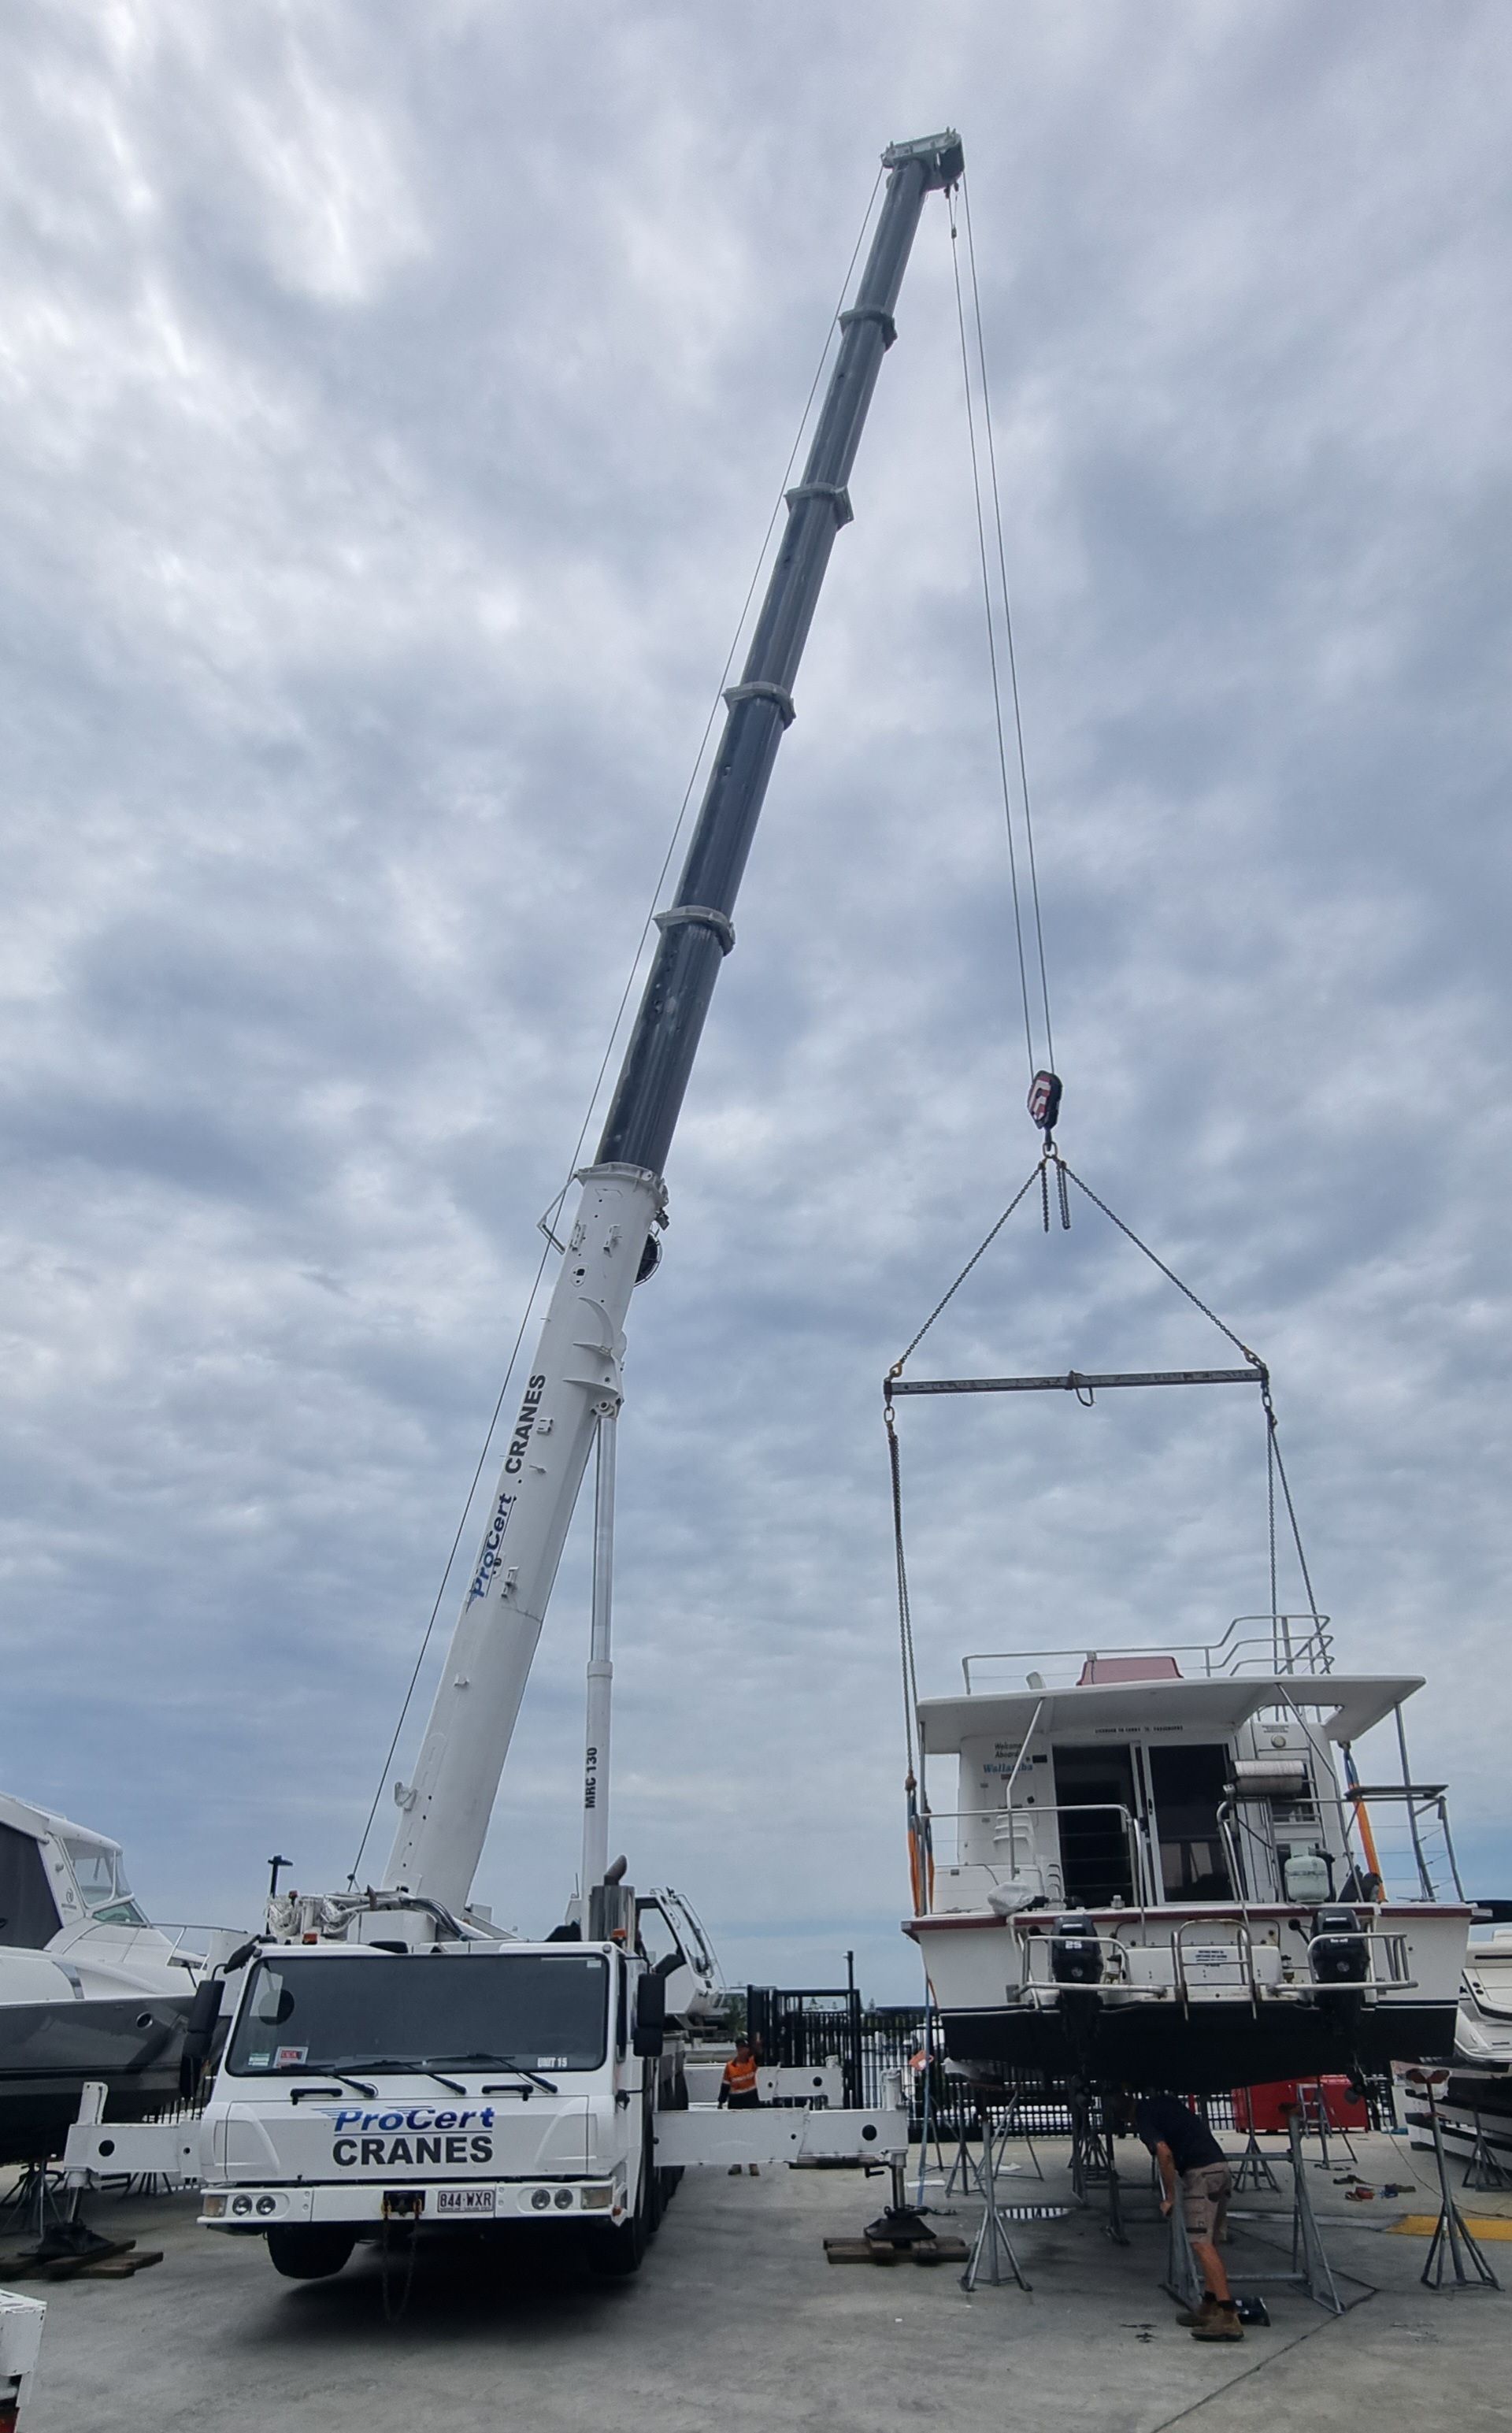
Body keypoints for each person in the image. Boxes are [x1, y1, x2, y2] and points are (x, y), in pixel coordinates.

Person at [1134, 2094, 1241, 2341]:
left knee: (1200, 2244)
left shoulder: (1144, 2115)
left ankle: (1228, 2315)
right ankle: (1209, 2305)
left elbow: (1164, 2153)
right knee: (1209, 2241)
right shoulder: (1166, 2104)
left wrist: (1170, 2196)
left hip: (1201, 2174)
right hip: (1218, 2167)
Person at [718, 2037, 761, 2175]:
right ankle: (736, 2164)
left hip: (751, 2101)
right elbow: (725, 2085)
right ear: (737, 2049)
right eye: (740, 2048)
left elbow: (760, 2056)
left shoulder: (752, 2063)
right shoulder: (730, 2067)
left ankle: (753, 2165)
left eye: (745, 2048)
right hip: (736, 2102)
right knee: (736, 2133)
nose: (743, 2050)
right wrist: (721, 2101)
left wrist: (758, 2043)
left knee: (751, 2134)